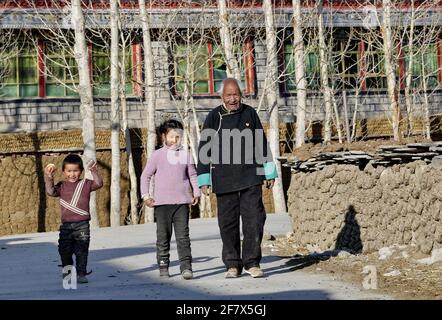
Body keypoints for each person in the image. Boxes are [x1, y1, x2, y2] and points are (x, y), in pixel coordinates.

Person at [197, 78, 277, 278]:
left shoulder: (249, 113)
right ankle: (232, 263)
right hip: (224, 179)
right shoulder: (214, 117)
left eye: (236, 95)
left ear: (241, 95)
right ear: (221, 96)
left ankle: (252, 262)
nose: (233, 99)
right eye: (228, 95)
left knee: (254, 220)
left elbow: (261, 142)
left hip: (250, 175)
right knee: (228, 223)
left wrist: (268, 171)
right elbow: (205, 149)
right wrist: (204, 179)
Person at [141, 119, 200, 280]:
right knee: (163, 237)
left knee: (183, 237)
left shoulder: (184, 155)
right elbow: (145, 176)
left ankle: (186, 267)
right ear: (163, 137)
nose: (175, 140)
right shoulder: (157, 156)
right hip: (162, 205)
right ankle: (163, 265)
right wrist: (146, 196)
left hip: (181, 203)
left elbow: (192, 175)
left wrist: (196, 192)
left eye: (178, 137)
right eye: (172, 136)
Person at [44, 154, 103, 284]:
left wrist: (93, 169)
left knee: (81, 250)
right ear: (64, 171)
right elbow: (50, 192)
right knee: (64, 250)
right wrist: (49, 176)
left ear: (81, 171)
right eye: (69, 171)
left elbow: (99, 183)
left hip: (82, 224)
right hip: (66, 226)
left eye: (75, 171)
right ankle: (68, 272)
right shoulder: (62, 186)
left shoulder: (86, 184)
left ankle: (82, 274)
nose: (72, 174)